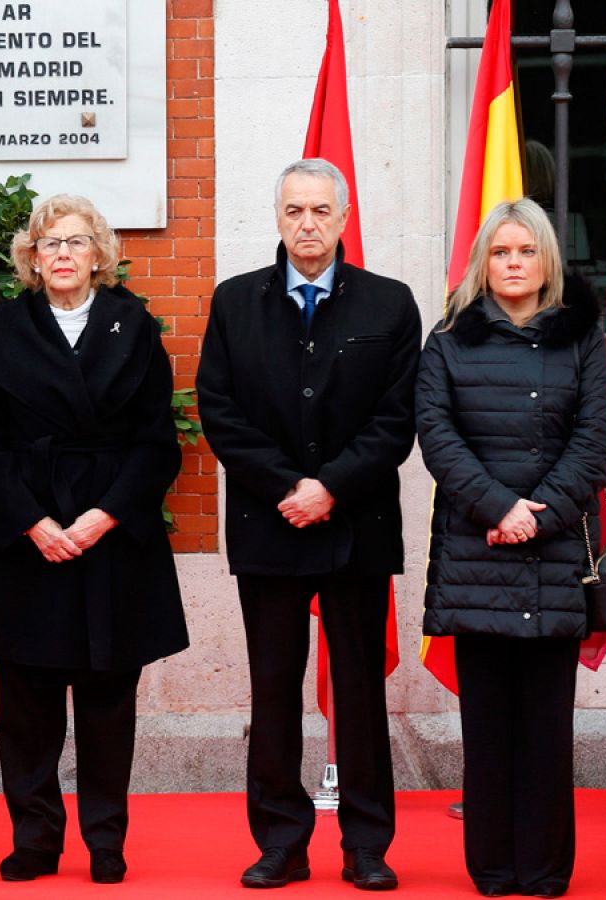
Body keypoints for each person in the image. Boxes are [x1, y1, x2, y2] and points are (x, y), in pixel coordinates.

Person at [197, 158, 420, 891]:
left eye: (321, 210)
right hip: (269, 525)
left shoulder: (389, 305)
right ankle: (280, 843)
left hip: (355, 526)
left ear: (345, 217)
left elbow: (397, 421)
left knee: (360, 692)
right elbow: (220, 414)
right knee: (273, 692)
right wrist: (287, 486)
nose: (308, 224)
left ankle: (366, 846)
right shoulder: (235, 303)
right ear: (277, 216)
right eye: (294, 210)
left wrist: (329, 488)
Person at [0, 195, 188, 885]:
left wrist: (103, 516)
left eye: (76, 241)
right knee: (26, 701)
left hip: (111, 538)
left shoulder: (135, 326)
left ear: (100, 254)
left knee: (108, 699)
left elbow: (157, 443)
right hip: (28, 536)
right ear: (31, 257)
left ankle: (106, 839)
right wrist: (33, 521)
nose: (62, 253)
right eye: (49, 242)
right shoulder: (3, 328)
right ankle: (35, 837)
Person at [416, 198, 606, 899]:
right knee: (490, 729)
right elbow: (436, 435)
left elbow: (595, 445)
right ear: (483, 262)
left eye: (525, 251)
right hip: (478, 553)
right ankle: (494, 869)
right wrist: (499, 507)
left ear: (546, 260)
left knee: (545, 730)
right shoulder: (448, 338)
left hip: (553, 555)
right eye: (500, 252)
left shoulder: (583, 338)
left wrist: (540, 514)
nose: (512, 263)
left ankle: (546, 869)